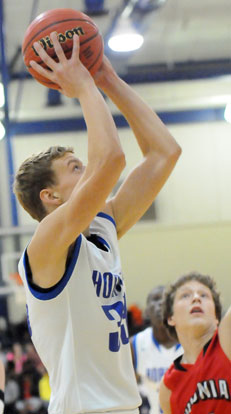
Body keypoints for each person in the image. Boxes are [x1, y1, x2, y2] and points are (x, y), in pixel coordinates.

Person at [14, 32, 181, 414]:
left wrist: (107, 78)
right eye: (75, 169)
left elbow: (164, 153)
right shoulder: (47, 244)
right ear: (50, 197)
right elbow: (111, 160)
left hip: (124, 406)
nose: (89, 171)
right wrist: (84, 86)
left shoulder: (101, 230)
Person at [159, 271, 231, 414]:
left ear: (217, 315)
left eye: (204, 295)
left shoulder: (226, 338)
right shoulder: (168, 387)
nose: (196, 298)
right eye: (185, 295)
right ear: (170, 318)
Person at [130, 286, 182, 414]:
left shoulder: (191, 340)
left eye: (166, 300)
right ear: (146, 311)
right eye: (156, 299)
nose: (161, 303)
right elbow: (125, 391)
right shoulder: (135, 344)